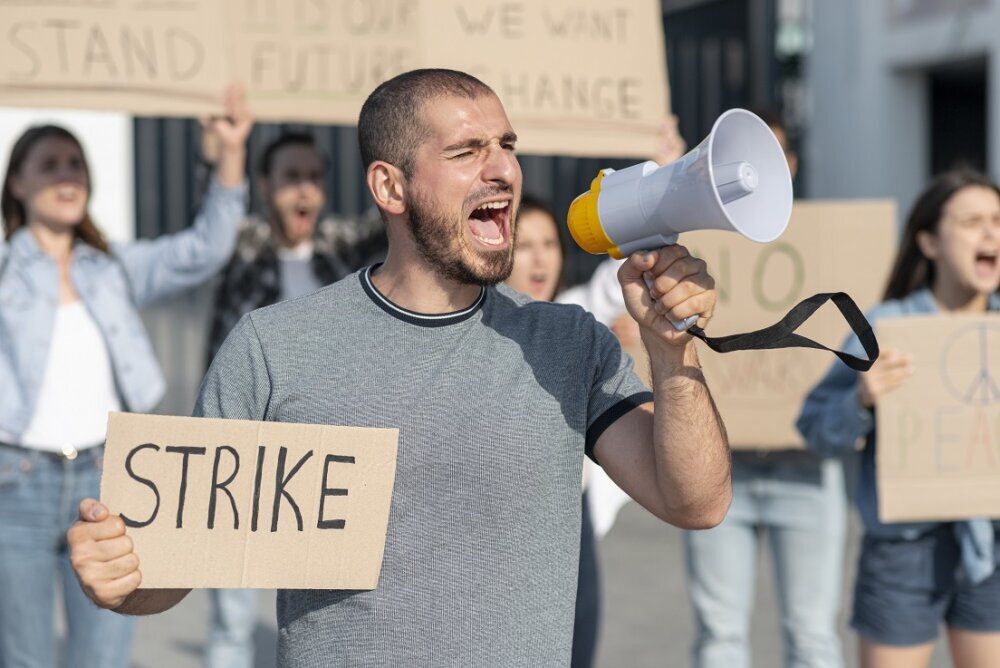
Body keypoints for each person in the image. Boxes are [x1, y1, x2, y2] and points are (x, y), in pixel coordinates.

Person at [67, 68, 731, 666]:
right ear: (389, 185)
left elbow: (696, 502)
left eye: (507, 145)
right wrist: (122, 577)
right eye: (468, 151)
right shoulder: (273, 345)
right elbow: (174, 564)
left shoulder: (569, 342)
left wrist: (673, 351)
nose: (502, 170)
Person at [0, 86, 251, 668]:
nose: (68, 175)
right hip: (16, 480)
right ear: (18, 183)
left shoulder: (111, 266)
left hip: (105, 477)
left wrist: (230, 151)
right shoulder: (6, 271)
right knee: (24, 657)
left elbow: (206, 249)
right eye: (50, 164)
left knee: (105, 656)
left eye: (76, 164)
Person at [798, 170, 1000, 668]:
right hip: (902, 554)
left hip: (992, 546)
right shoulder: (886, 329)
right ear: (928, 241)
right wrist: (861, 401)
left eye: (998, 220)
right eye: (973, 221)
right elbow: (815, 428)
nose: (991, 233)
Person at [204, 131, 386, 668]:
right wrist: (222, 149)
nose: (304, 190)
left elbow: (404, 206)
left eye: (315, 177)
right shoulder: (240, 246)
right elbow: (210, 219)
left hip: (324, 459)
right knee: (233, 620)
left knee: (325, 613)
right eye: (290, 177)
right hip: (245, 453)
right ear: (264, 186)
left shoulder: (341, 246)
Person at [682, 110, 848, 668]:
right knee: (720, 636)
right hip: (720, 468)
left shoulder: (835, 247)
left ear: (792, 165)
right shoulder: (693, 245)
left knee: (813, 637)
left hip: (806, 472)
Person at [504, 194, 600, 667]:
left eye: (549, 243)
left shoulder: (583, 320)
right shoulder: (477, 329)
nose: (540, 258)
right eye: (524, 246)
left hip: (570, 519)